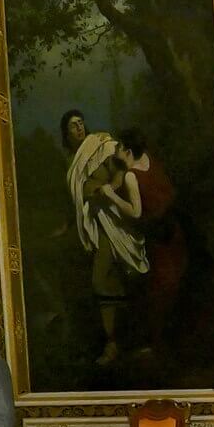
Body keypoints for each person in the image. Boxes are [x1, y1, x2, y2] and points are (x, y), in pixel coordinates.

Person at [61, 109, 148, 365]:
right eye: (73, 125)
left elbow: (120, 173)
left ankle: (123, 342)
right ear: (66, 133)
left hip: (116, 220)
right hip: (96, 223)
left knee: (105, 279)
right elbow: (77, 200)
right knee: (105, 282)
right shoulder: (73, 160)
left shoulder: (101, 145)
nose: (79, 128)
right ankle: (115, 343)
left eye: (81, 122)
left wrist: (107, 190)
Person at [101, 128, 187, 353]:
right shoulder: (148, 159)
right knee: (169, 283)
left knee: (159, 287)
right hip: (173, 231)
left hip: (159, 235)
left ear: (128, 151)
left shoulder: (131, 175)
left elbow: (136, 212)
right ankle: (162, 340)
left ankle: (156, 343)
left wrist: (110, 195)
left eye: (119, 147)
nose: (116, 150)